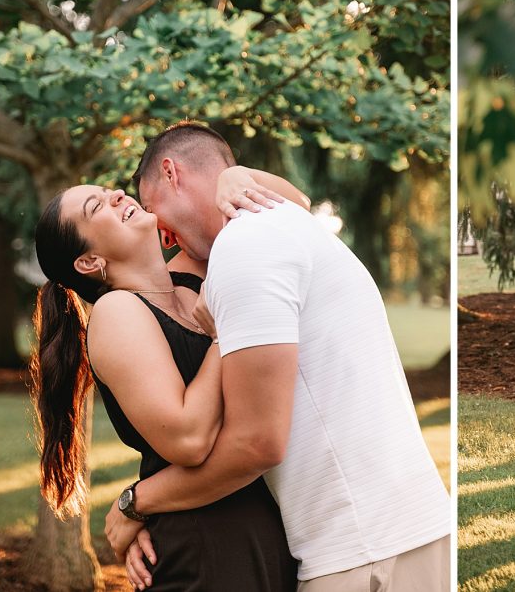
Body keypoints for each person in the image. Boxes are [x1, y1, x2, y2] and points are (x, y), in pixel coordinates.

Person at [105, 122, 451, 592]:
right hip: (402, 531)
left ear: (171, 173)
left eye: (151, 209)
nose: (162, 233)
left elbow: (256, 445)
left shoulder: (244, 248)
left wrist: (135, 501)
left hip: (361, 555)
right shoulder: (289, 222)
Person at [32, 165, 309, 590]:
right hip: (205, 546)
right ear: (89, 261)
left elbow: (297, 206)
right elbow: (188, 439)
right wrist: (221, 338)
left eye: (111, 191)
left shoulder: (190, 279)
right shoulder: (118, 312)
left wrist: (233, 176)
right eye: (98, 206)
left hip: (266, 527)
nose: (118, 197)